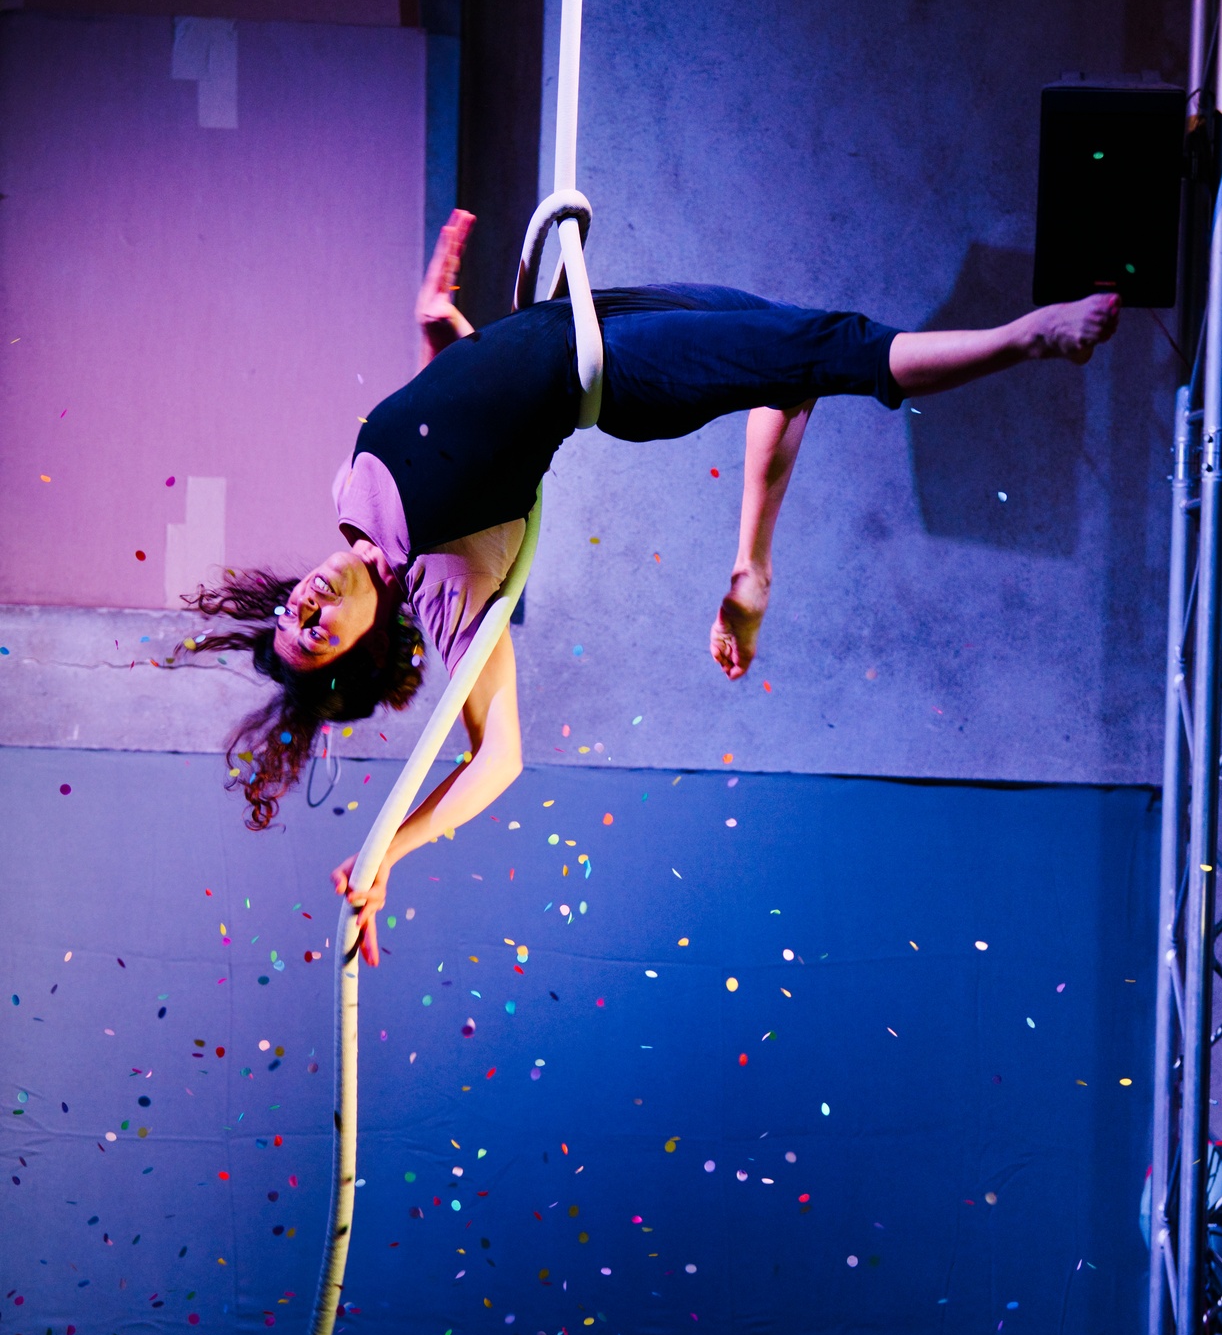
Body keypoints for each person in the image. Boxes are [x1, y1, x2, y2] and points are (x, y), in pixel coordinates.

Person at [186, 211, 1119, 962]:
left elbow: (462, 429)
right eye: (314, 634)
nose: (304, 606)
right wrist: (392, 844)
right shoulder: (443, 588)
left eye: (289, 612)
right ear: (362, 649)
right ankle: (1029, 339)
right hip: (617, 374)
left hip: (589, 317)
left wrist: (441, 333)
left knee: (784, 357)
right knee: (825, 347)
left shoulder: (348, 490)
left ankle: (749, 570)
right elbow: (498, 757)